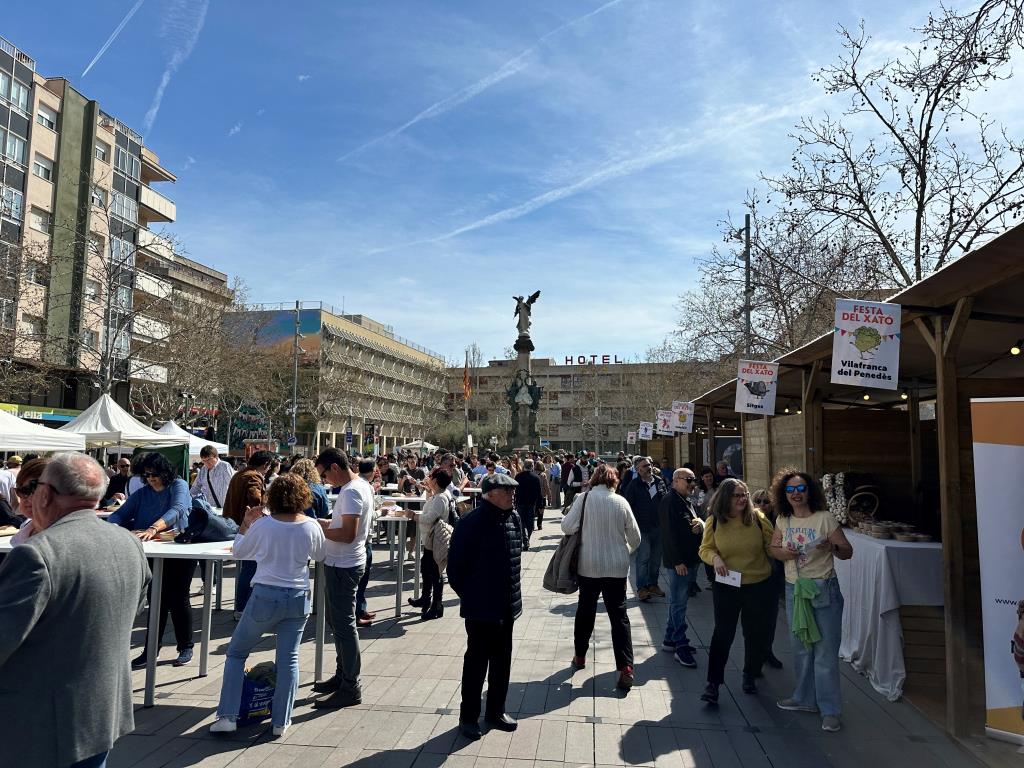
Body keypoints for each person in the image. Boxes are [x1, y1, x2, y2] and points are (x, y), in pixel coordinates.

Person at [0, 453, 150, 768]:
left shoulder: (37, 556)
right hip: (100, 714)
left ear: (45, 493)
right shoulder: (129, 544)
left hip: (39, 727)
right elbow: (131, 609)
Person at [210, 474, 326, 738]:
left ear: (272, 497)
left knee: (237, 652)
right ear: (302, 497)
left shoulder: (263, 526)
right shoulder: (311, 525)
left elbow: (238, 552)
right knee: (288, 659)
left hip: (265, 593)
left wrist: (244, 525)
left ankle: (228, 716)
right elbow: (321, 556)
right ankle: (281, 720)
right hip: (297, 596)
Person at [769, 469, 853, 733]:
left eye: (801, 488)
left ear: (809, 491)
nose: (796, 494)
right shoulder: (783, 520)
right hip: (795, 589)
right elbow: (774, 550)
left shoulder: (825, 519)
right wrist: (785, 551)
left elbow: (847, 552)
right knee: (801, 648)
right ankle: (804, 698)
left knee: (825, 652)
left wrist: (833, 547)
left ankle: (830, 710)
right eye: (790, 490)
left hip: (823, 589)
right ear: (785, 494)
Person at [447, 472, 523, 741]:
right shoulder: (472, 522)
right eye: (507, 491)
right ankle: (468, 717)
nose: (513, 494)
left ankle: (496, 711)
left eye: (513, 490)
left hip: (507, 606)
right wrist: (472, 595)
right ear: (491, 494)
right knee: (476, 663)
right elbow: (455, 569)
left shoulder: (513, 517)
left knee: (502, 662)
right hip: (481, 608)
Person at [106, 452, 195, 668]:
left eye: (154, 474)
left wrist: (154, 527)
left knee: (178, 597)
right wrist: (111, 527)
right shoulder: (143, 493)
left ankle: (186, 646)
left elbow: (178, 509)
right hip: (152, 553)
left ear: (165, 472)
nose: (151, 478)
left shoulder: (178, 485)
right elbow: (120, 514)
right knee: (156, 600)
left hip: (180, 549)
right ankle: (151, 649)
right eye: (147, 475)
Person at [561, 464, 641, 690]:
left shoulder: (583, 499)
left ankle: (580, 656)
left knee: (585, 610)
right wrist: (623, 550)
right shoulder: (621, 502)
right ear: (615, 481)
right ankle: (625, 667)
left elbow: (566, 526)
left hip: (588, 565)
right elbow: (636, 539)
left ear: (594, 479)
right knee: (619, 617)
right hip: (616, 568)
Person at [697, 478, 775, 705]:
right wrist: (715, 558)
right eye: (737, 495)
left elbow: (773, 546)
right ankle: (713, 684)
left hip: (757, 584)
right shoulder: (714, 521)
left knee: (754, 633)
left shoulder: (758, 519)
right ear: (725, 498)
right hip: (727, 585)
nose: (742, 499)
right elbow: (705, 549)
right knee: (723, 633)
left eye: (745, 494)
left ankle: (750, 673)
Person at [311, 448, 374, 708]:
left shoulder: (350, 492)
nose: (325, 480)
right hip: (347, 561)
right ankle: (343, 677)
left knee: (344, 626)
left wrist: (318, 528)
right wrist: (323, 524)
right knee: (339, 625)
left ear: (334, 468)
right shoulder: (361, 486)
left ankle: (350, 685)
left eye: (324, 474)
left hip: (344, 564)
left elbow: (347, 534)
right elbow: (347, 529)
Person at [659, 467, 705, 668]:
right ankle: (680, 644)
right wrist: (678, 562)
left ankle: (670, 639)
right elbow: (668, 534)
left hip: (689, 558)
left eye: (694, 480)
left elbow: (692, 523)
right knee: (679, 603)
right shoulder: (670, 501)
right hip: (680, 562)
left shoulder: (684, 499)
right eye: (689, 479)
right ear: (676, 480)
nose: (692, 483)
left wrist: (700, 525)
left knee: (677, 602)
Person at [223, 450, 273, 617]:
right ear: (265, 464)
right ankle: (242, 608)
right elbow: (255, 499)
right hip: (248, 525)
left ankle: (241, 607)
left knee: (247, 567)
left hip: (235, 523)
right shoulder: (254, 477)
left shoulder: (240, 474)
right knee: (250, 567)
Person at [408, 467, 453, 620]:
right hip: (430, 540)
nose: (429, 477)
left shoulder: (441, 498)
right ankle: (426, 598)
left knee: (435, 572)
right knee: (426, 569)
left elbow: (430, 518)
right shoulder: (439, 495)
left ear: (436, 480)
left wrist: (413, 516)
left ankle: (436, 605)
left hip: (435, 541)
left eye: (431, 476)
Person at [623, 456, 667, 601]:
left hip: (658, 527)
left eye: (649, 464)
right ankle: (642, 588)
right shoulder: (634, 485)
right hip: (642, 528)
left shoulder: (660, 482)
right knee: (643, 558)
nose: (648, 467)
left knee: (655, 559)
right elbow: (627, 506)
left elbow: (665, 500)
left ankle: (653, 585)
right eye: (644, 466)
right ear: (638, 469)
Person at [753, 488, 784, 669]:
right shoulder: (750, 521)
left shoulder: (778, 521)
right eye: (759, 502)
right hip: (755, 575)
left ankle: (767, 650)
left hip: (774, 575)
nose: (763, 505)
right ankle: (755, 655)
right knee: (755, 618)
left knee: (771, 616)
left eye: (766, 502)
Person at [354, 459, 378, 627]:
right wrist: (381, 512)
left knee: (363, 578)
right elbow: (368, 515)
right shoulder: (365, 487)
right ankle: (356, 614)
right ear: (372, 471)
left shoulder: (360, 484)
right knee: (361, 578)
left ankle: (361, 609)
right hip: (363, 539)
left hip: (363, 538)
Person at [8, 457, 50, 544]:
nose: (29, 498)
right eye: (23, 491)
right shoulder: (26, 526)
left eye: (35, 488)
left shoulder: (64, 532)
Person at [514, 459, 544, 550]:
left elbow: (516, 491)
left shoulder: (518, 476)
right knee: (530, 523)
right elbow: (539, 493)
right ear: (532, 466)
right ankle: (527, 539)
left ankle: (525, 539)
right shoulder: (535, 477)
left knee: (521, 522)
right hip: (531, 503)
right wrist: (541, 505)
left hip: (520, 502)